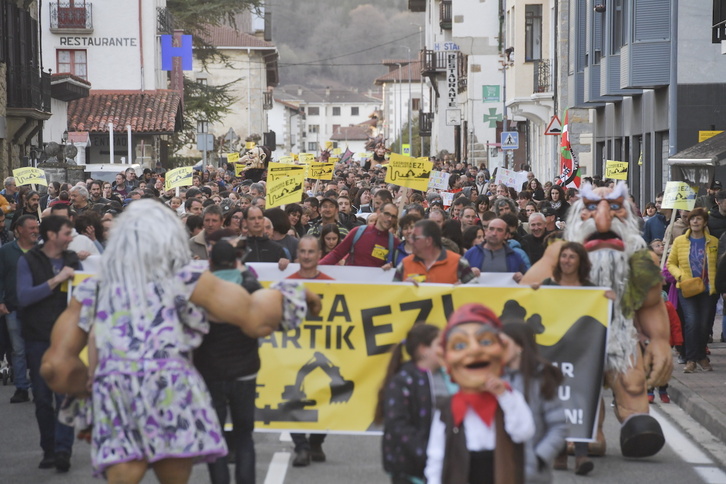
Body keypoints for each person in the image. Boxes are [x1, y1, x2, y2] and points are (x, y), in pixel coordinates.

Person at [40, 199, 321, 483]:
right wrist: (295, 292)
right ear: (169, 241)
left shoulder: (93, 289)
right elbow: (254, 315)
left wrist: (96, 388)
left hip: (118, 393)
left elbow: (55, 367)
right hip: (172, 391)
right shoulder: (185, 280)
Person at [424, 303, 535, 484]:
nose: (474, 350)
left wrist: (504, 397)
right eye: (460, 345)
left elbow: (523, 432)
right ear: (444, 358)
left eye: (485, 341)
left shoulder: (509, 397)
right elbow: (436, 456)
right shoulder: (447, 409)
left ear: (503, 349)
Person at [194, 240, 263, 484]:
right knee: (244, 436)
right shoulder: (248, 286)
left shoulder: (202, 290)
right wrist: (242, 270)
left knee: (217, 438)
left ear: (210, 263)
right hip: (245, 372)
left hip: (211, 373)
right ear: (236, 261)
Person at [17, 215, 80, 472]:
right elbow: (24, 297)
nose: (70, 238)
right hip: (38, 340)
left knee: (65, 397)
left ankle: (64, 450)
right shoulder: (29, 261)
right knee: (43, 399)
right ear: (52, 235)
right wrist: (58, 280)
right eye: (67, 233)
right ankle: (49, 449)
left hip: (68, 343)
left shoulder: (72, 259)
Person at [531, 241, 596, 475]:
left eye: (572, 257)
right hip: (552, 354)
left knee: (579, 400)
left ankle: (581, 455)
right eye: (564, 256)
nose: (567, 260)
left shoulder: (591, 290)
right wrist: (534, 293)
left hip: (580, 356)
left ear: (580, 261)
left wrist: (607, 298)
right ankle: (558, 451)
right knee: (556, 401)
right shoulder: (548, 284)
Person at [375, 323, 444, 483]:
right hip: (409, 468)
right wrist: (425, 452)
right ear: (423, 350)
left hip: (439, 462)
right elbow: (398, 424)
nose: (446, 349)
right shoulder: (403, 381)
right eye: (440, 345)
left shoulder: (448, 377)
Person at [501, 322, 569, 481]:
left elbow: (559, 427)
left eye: (503, 343)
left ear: (520, 346)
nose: (497, 349)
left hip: (531, 475)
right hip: (497, 470)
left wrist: (538, 458)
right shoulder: (493, 379)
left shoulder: (541, 380)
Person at [667, 207, 719, 373]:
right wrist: (681, 276)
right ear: (688, 222)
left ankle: (701, 356)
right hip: (687, 289)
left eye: (699, 219)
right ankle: (691, 359)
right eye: (692, 219)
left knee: (704, 325)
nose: (695, 222)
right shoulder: (680, 241)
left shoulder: (713, 242)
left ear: (704, 222)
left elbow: (719, 264)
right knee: (692, 323)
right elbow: (670, 263)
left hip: (708, 290)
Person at [0, 215, 39, 404]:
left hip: (39, 308)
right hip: (14, 307)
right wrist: (1, 301)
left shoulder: (42, 250)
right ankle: (22, 388)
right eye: (31, 227)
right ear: (19, 230)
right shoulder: (6, 251)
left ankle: (40, 388)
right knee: (18, 350)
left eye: (36, 227)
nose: (35, 231)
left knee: (39, 349)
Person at [394, 220, 475, 284]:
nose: (411, 241)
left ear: (428, 241)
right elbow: (391, 296)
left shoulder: (459, 263)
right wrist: (402, 288)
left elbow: (476, 294)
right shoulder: (405, 264)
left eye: (416, 238)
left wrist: (462, 290)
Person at [320, 202, 400, 268]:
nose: (389, 219)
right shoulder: (358, 232)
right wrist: (316, 268)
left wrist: (391, 267)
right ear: (378, 212)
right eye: (387, 214)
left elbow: (400, 267)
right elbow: (337, 254)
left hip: (375, 285)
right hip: (351, 284)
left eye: (393, 216)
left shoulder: (394, 242)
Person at [464, 218, 528, 282]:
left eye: (499, 230)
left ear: (506, 235)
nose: (494, 233)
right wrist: (468, 273)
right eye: (491, 229)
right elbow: (457, 280)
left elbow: (528, 281)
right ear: (485, 232)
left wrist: (522, 278)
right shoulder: (471, 254)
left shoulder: (515, 257)